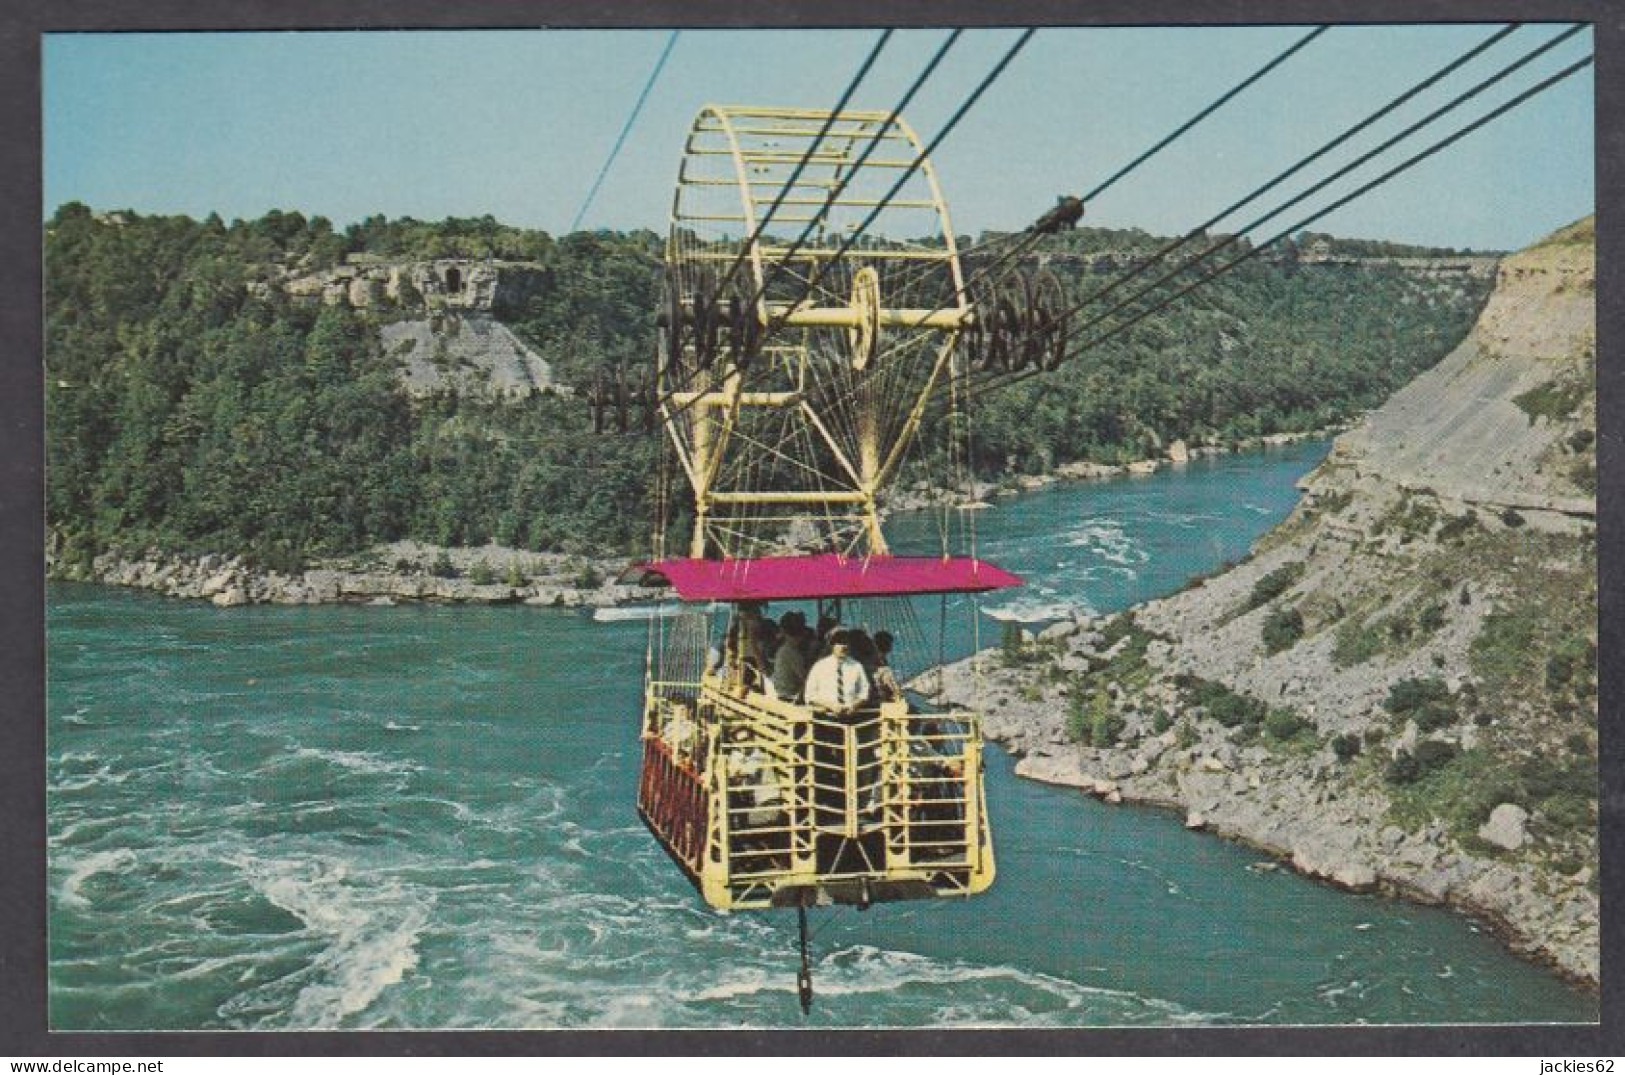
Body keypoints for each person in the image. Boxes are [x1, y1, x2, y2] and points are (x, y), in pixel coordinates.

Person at [803, 629, 871, 716]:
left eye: (845, 643)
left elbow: (864, 691)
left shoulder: (857, 666)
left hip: (850, 717)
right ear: (832, 645)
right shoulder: (820, 666)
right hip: (825, 718)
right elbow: (810, 694)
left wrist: (854, 705)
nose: (843, 647)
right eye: (839, 643)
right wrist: (830, 706)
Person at [871, 630, 903, 704]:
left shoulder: (870, 658)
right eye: (890, 644)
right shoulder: (881, 662)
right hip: (879, 701)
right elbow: (889, 684)